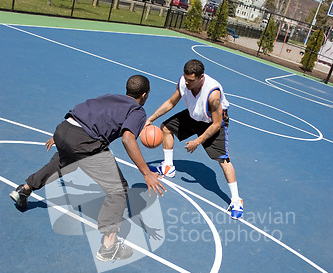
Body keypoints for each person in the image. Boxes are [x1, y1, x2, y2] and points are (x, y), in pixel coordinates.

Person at [10, 75, 166, 261]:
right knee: (118, 189)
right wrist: (147, 173)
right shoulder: (138, 110)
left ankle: (24, 190)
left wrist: (63, 138)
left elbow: (81, 114)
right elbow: (127, 138)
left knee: (62, 161)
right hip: (85, 141)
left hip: (65, 128)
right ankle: (109, 247)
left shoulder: (110, 97)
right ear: (145, 94)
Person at [145, 59, 243, 219]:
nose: (187, 83)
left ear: (201, 77)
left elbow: (217, 124)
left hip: (212, 122)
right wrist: (151, 118)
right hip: (194, 116)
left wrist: (198, 142)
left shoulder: (213, 94)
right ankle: (168, 167)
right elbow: (171, 102)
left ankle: (236, 200)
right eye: (185, 79)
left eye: (191, 81)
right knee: (166, 128)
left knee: (224, 160)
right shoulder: (183, 83)